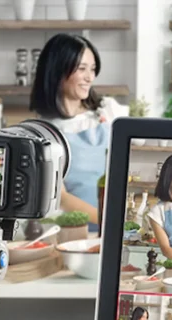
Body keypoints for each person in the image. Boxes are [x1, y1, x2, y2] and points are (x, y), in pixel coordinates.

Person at [30, 33, 128, 229]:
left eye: (92, 69)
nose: (89, 77)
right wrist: (110, 222)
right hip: (77, 231)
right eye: (82, 69)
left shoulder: (108, 111)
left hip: (117, 224)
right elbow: (62, 198)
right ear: (57, 71)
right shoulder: (42, 133)